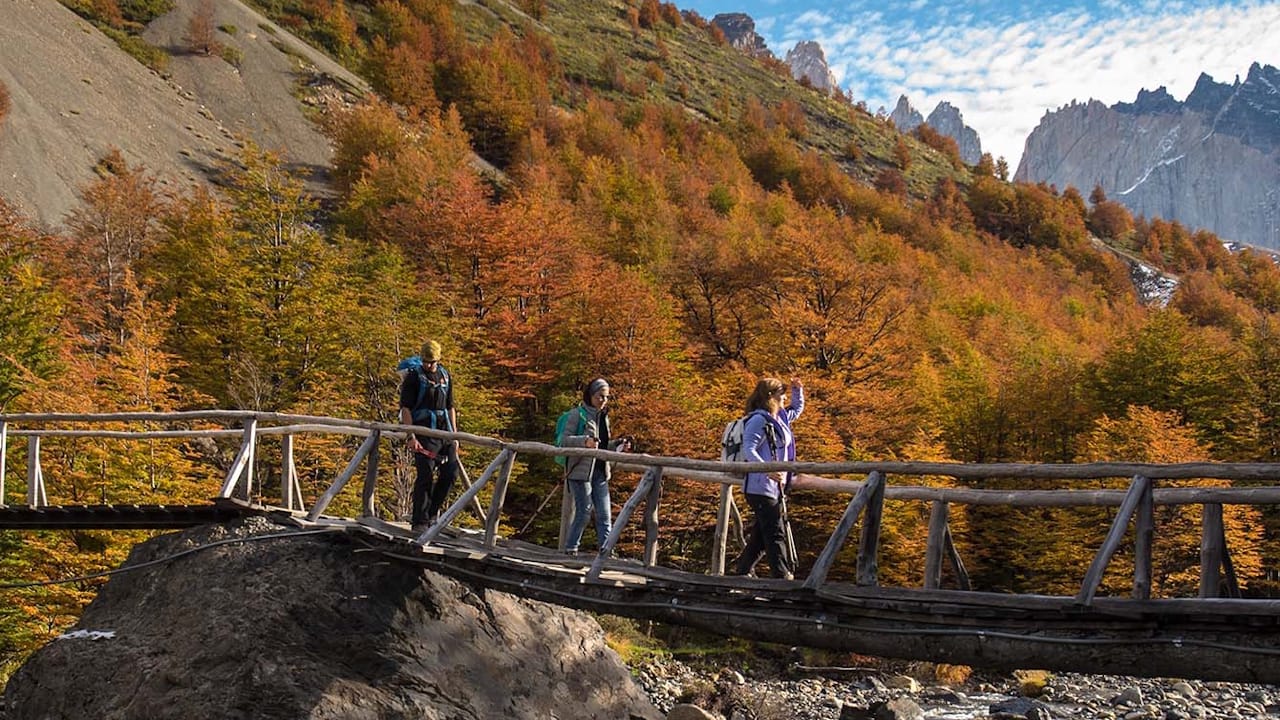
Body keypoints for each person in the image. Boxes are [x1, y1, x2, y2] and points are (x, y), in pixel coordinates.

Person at [733, 376, 804, 580]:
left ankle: (742, 572)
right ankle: (781, 577)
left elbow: (796, 410)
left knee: (760, 537)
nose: (784, 398)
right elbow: (749, 449)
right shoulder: (759, 420)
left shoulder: (778, 417)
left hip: (773, 487)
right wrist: (767, 470)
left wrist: (798, 390)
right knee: (775, 532)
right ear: (771, 396)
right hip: (760, 487)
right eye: (782, 394)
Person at [560, 378, 632, 555]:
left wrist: (618, 444)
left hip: (600, 471)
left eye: (606, 397)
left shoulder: (604, 418)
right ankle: (571, 549)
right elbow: (563, 441)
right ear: (590, 395)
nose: (603, 400)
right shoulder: (577, 414)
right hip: (580, 471)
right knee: (584, 512)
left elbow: (602, 445)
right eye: (600, 396)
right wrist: (585, 442)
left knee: (605, 514)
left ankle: (606, 552)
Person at [399, 339, 458, 533]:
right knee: (425, 475)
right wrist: (411, 436)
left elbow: (450, 407)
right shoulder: (414, 378)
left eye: (432, 362)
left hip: (444, 432)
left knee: (450, 473)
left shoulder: (445, 376)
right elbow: (405, 408)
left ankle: (432, 513)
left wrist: (454, 436)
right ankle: (419, 522)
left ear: (438, 360)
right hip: (423, 432)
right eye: (425, 361)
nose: (428, 365)